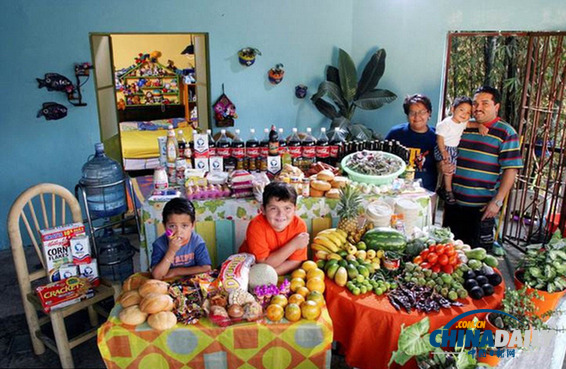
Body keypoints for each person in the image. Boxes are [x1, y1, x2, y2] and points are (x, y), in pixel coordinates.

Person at [442, 86, 523, 253]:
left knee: (476, 258)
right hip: (454, 204)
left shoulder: (506, 133)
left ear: (496, 106)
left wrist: (498, 201)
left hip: (481, 209)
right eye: (475, 103)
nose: (478, 108)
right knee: (448, 254)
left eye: (485, 103)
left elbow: (511, 170)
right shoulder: (462, 127)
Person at [239, 181, 309, 275]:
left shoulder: (299, 225)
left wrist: (269, 275)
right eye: (273, 208)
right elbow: (263, 263)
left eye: (287, 208)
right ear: (263, 210)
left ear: (295, 209)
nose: (281, 214)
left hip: (269, 273)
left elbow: (295, 262)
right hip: (248, 270)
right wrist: (293, 245)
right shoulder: (256, 225)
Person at [434, 96, 488, 204]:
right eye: (461, 110)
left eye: (468, 112)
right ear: (453, 109)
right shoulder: (446, 123)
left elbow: (471, 124)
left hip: (453, 150)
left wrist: (480, 126)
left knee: (452, 170)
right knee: (449, 170)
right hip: (444, 148)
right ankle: (448, 191)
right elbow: (439, 138)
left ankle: (443, 188)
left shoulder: (462, 123)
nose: (464, 114)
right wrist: (443, 151)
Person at [385, 94, 438, 192]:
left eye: (422, 112)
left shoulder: (437, 137)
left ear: (429, 113)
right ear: (407, 115)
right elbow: (384, 160)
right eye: (412, 113)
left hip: (426, 191)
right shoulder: (395, 133)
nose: (417, 117)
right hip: (397, 190)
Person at [151, 197, 212, 280]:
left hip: (193, 284)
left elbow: (206, 269)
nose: (179, 232)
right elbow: (157, 276)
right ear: (165, 226)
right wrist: (171, 251)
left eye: (184, 226)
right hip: (166, 285)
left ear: (193, 225)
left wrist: (176, 271)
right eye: (172, 226)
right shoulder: (159, 244)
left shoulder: (197, 242)